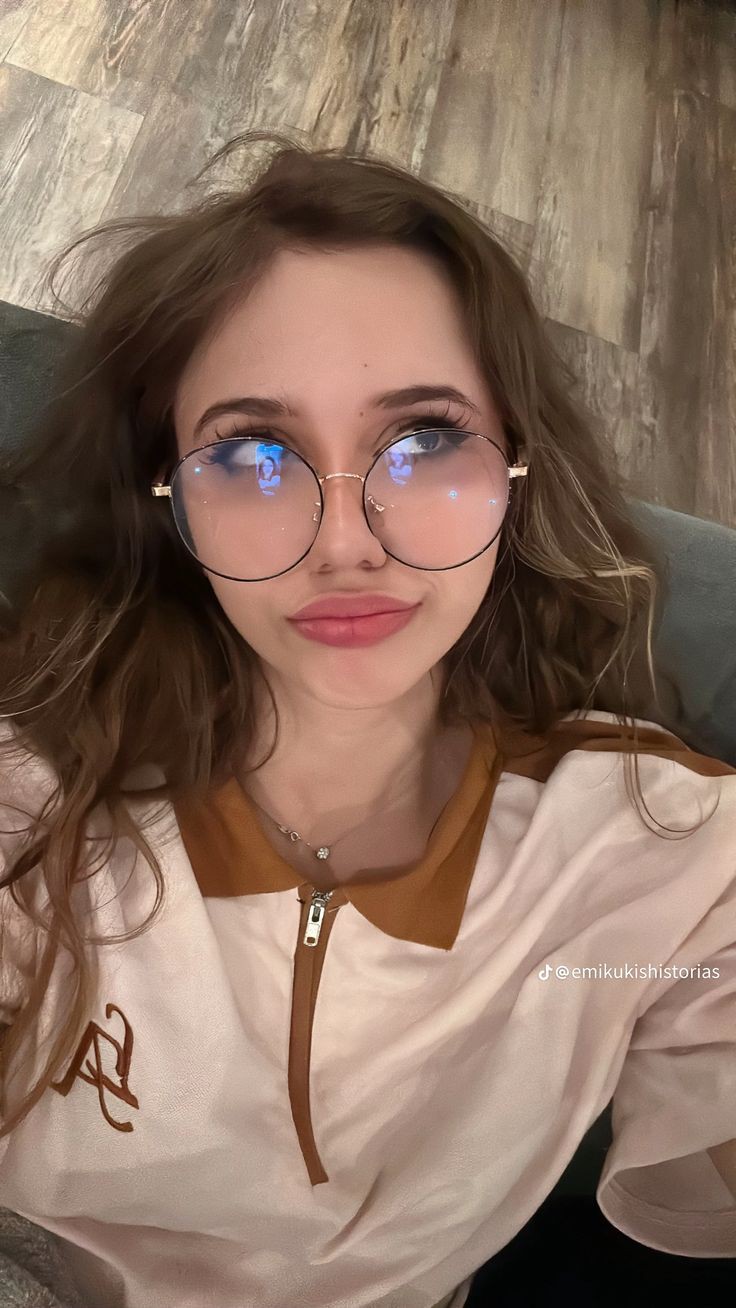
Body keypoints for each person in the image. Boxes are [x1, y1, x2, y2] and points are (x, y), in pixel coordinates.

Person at [0, 130, 734, 1308]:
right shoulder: (30, 795)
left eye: (424, 440)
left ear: (518, 470)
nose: (345, 543)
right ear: (167, 496)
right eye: (252, 453)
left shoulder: (662, 851)